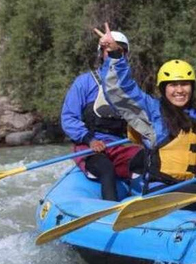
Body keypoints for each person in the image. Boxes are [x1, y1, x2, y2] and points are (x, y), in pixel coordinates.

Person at [96, 23, 196, 196]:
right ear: (163, 88)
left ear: (192, 87)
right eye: (173, 85)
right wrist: (115, 55)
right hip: (161, 187)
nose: (179, 90)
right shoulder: (153, 111)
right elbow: (120, 90)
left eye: (185, 84)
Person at [60, 30, 143, 201]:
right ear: (101, 53)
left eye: (119, 50)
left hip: (118, 145)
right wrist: (90, 140)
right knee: (106, 169)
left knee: (148, 159)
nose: (113, 53)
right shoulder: (84, 83)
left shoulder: (128, 87)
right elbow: (68, 117)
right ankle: (110, 210)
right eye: (108, 49)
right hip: (89, 145)